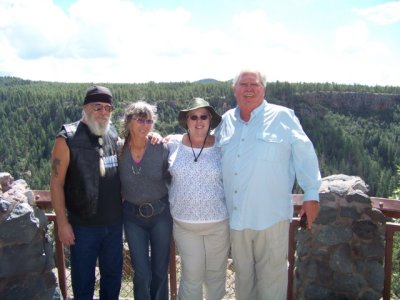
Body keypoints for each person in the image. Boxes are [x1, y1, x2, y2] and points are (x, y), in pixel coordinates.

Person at [214, 69, 322, 300]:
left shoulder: (283, 117)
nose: (249, 89)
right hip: (237, 218)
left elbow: (305, 154)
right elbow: (205, 148)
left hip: (271, 217)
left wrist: (311, 194)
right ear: (234, 89)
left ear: (264, 89)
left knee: (272, 280)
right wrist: (171, 141)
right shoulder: (225, 122)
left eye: (255, 84)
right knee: (243, 280)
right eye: (244, 84)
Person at [50, 85, 123, 300]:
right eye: (97, 107)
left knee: (112, 280)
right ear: (85, 107)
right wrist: (62, 223)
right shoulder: (67, 138)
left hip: (113, 224)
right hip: (83, 227)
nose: (103, 112)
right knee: (83, 283)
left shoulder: (111, 132)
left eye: (108, 108)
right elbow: (56, 184)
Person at [167, 98, 230, 300]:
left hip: (218, 224)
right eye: (193, 117)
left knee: (215, 277)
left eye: (204, 116)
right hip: (185, 226)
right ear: (186, 120)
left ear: (210, 119)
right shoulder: (172, 144)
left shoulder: (223, 147)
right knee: (191, 276)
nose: (199, 121)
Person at [119, 101, 172, 300]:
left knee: (160, 270)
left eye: (149, 121)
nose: (145, 125)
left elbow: (173, 175)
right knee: (141, 271)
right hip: (132, 218)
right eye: (140, 119)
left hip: (161, 215)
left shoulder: (160, 148)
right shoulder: (118, 149)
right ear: (129, 121)